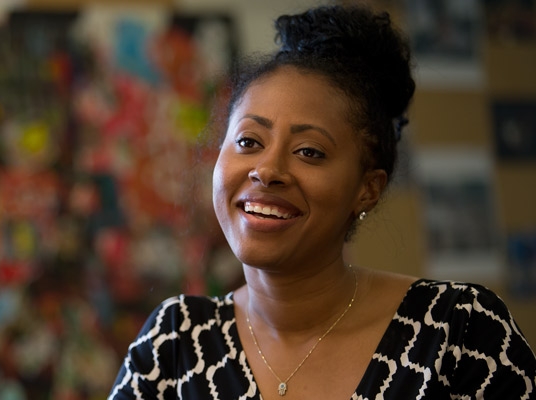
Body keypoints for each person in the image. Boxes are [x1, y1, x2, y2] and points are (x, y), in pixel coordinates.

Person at [108, 4, 536, 399]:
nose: (267, 170)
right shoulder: (175, 344)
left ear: (367, 188)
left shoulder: (456, 333)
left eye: (309, 151)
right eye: (248, 141)